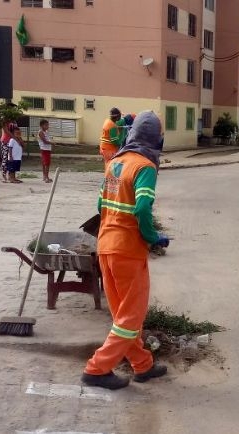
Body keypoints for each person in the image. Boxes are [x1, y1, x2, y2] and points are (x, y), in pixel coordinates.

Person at [82, 111, 169, 390]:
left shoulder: (115, 162)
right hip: (128, 251)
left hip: (105, 246)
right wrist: (152, 236)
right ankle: (97, 368)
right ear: (155, 138)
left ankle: (142, 365)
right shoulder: (145, 167)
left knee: (123, 315)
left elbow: (100, 206)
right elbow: (142, 208)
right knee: (132, 317)